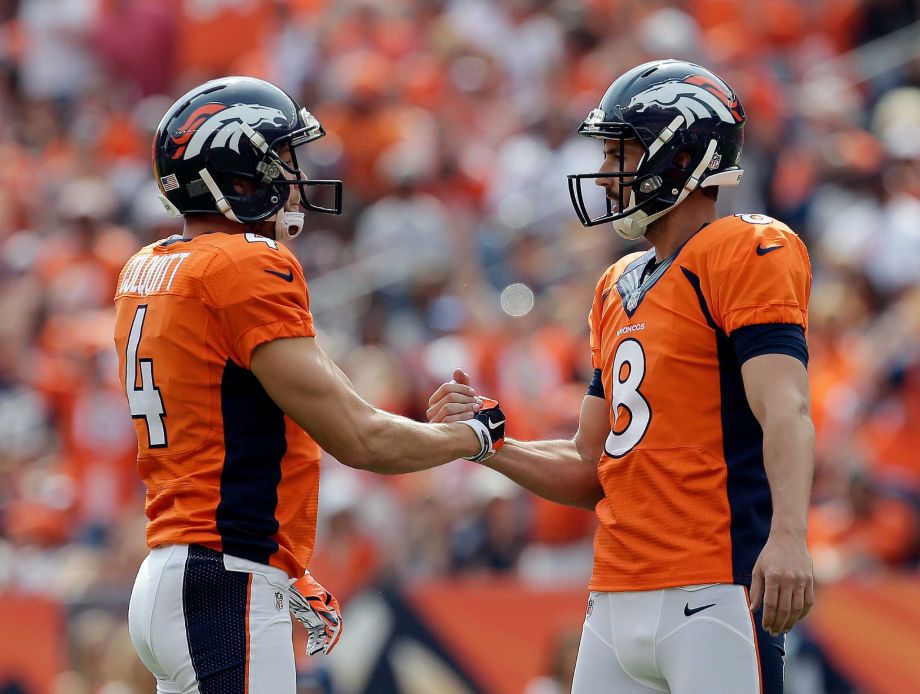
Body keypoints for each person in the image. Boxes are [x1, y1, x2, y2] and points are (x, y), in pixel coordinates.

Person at [427, 59, 815, 693]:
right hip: (613, 595)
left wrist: (792, 537)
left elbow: (787, 411)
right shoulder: (618, 284)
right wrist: (489, 441)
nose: (609, 173)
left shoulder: (743, 249)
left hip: (715, 584)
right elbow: (592, 466)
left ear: (683, 157)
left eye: (622, 152)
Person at [113, 76, 505, 694]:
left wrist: (282, 564)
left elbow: (241, 425)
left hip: (185, 570)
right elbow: (360, 439)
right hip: (222, 578)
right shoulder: (242, 264)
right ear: (237, 176)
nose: (296, 179)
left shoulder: (150, 266)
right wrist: (474, 438)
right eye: (281, 161)